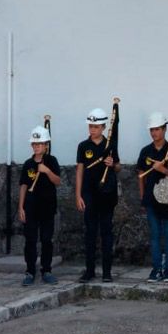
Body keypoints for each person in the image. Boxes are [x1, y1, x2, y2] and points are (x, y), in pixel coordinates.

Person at [138, 112, 168, 283]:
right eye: (152, 129)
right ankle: (156, 269)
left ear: (165, 129)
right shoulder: (145, 151)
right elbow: (141, 175)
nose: (154, 132)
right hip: (151, 198)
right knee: (155, 234)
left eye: (157, 129)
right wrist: (143, 196)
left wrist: (164, 170)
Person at [75, 107, 120, 283]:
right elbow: (79, 171)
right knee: (90, 233)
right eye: (90, 126)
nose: (92, 129)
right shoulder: (83, 146)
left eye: (96, 126)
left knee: (106, 232)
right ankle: (90, 270)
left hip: (107, 193)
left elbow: (118, 167)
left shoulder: (110, 144)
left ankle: (107, 272)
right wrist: (78, 194)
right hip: (89, 193)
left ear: (103, 127)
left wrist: (112, 163)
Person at [18, 126, 61, 286]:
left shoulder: (52, 161)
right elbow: (23, 185)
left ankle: (46, 270)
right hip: (30, 207)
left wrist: (47, 171)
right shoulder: (28, 164)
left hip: (47, 207)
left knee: (46, 239)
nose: (36, 146)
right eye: (34, 144)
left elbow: (57, 181)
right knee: (30, 240)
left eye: (39, 143)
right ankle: (30, 271)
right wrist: (20, 207)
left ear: (46, 145)